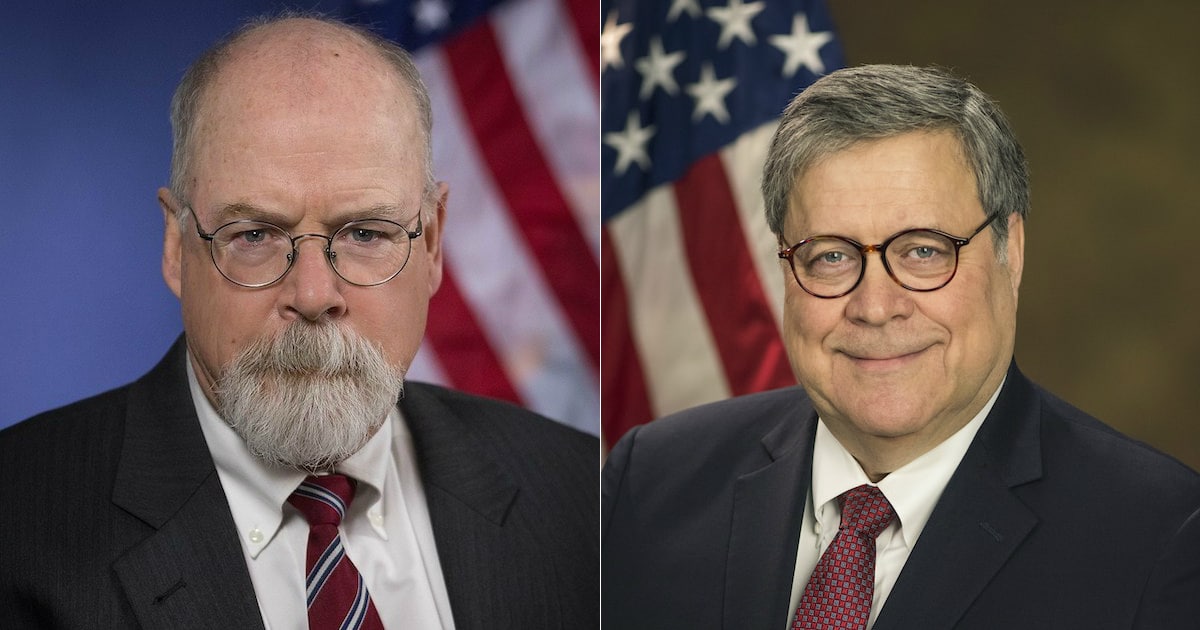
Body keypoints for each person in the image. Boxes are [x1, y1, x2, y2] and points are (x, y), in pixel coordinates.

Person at [0, 14, 597, 629]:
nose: (313, 294)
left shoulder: (584, 497)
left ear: (434, 243)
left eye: (367, 232)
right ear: (177, 249)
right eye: (254, 235)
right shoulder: (18, 523)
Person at [602, 64, 1200, 629]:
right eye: (831, 256)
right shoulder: (651, 483)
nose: (876, 306)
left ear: (1009, 252)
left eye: (923, 251)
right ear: (784, 265)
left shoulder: (1160, 537)